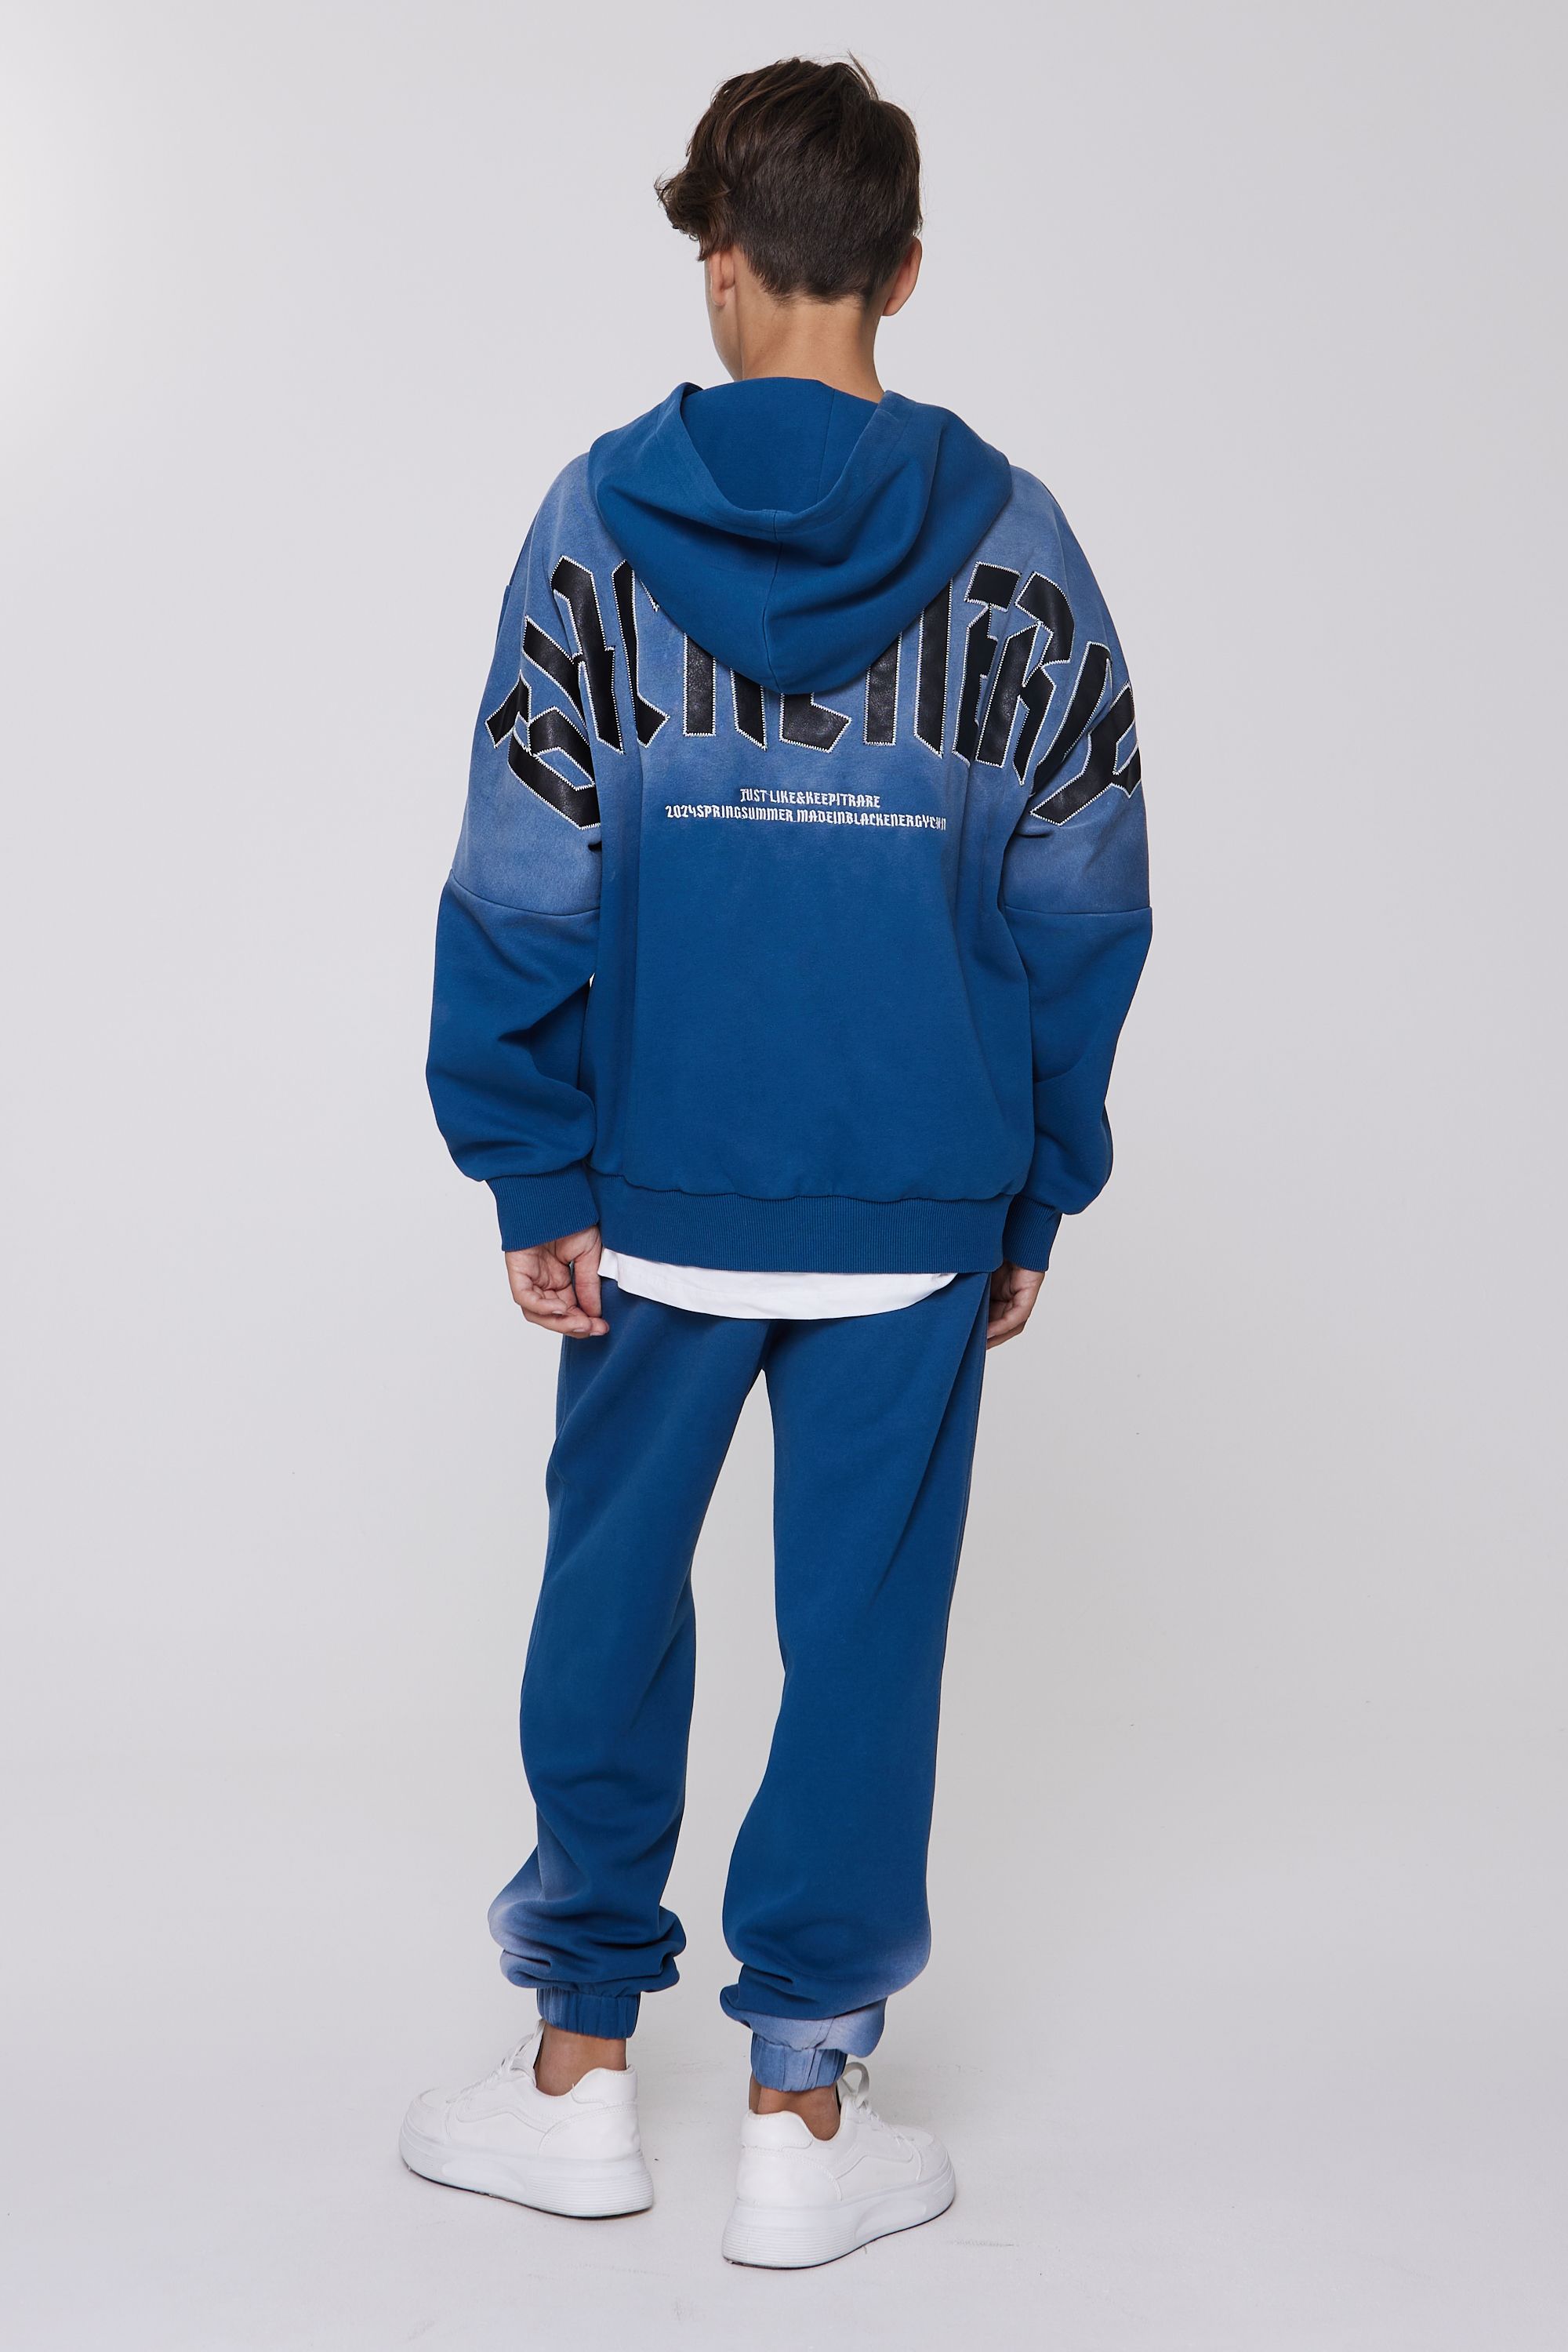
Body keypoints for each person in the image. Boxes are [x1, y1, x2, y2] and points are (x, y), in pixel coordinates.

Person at [407, 56, 1150, 2269]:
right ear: (904, 274)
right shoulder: (1016, 543)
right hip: (914, 1196)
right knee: (864, 1642)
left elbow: (521, 871)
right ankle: (802, 2114)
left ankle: (577, 2079)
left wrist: (534, 1165)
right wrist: (1036, 1177)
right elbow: (1083, 895)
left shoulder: (595, 522)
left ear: (719, 266)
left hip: (654, 1185)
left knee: (608, 1603)